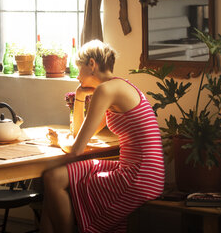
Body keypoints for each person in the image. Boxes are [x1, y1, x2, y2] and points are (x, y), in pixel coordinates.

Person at [40, 40, 165, 233]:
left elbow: (76, 149)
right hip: (145, 172)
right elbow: (79, 134)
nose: (78, 76)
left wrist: (58, 142)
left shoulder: (106, 90)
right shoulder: (117, 87)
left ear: (91, 64)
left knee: (53, 179)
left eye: (78, 69)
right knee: (53, 180)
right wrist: (80, 96)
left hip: (139, 176)